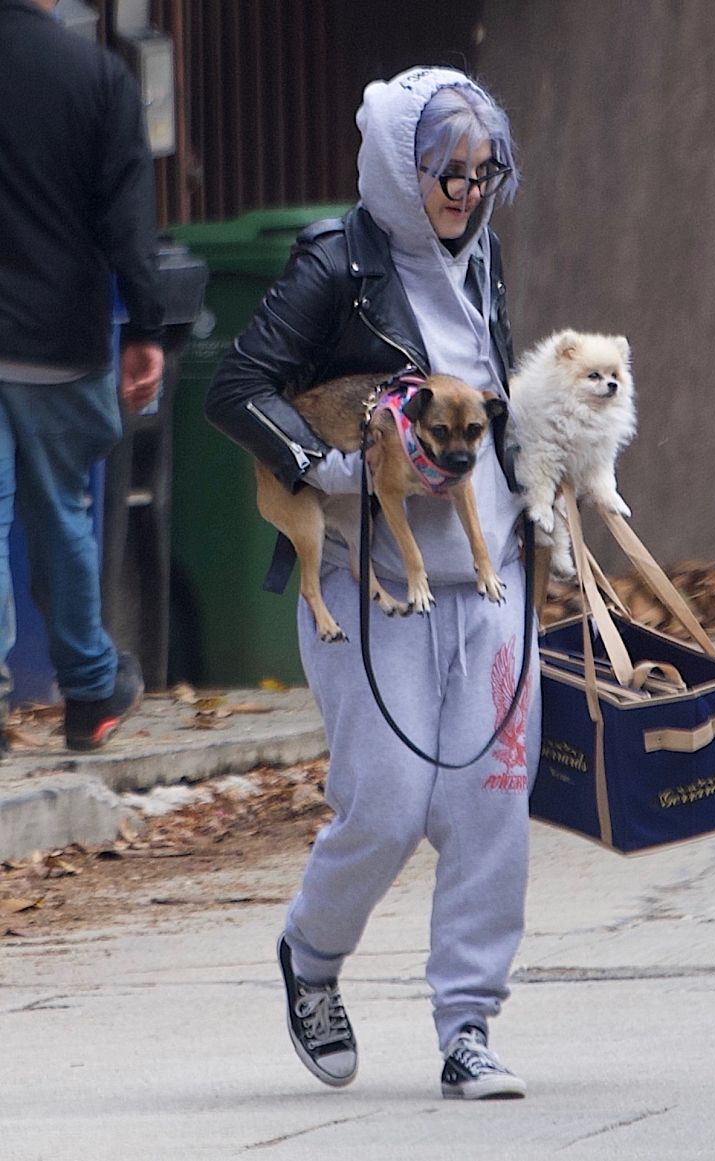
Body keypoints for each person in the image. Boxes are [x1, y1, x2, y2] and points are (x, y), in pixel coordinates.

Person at [206, 66, 540, 1100]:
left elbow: (492, 406)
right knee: (386, 807)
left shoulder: (483, 260)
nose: (466, 194)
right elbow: (237, 387)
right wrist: (325, 468)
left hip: (490, 579)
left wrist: (547, 486)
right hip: (370, 577)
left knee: (491, 802)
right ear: (402, 167)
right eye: (447, 173)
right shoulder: (337, 263)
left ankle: (468, 1026)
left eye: (483, 173)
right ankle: (311, 956)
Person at [0, 0, 165, 751]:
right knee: (63, 512)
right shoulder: (97, 77)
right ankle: (90, 690)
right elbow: (126, 217)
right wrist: (147, 328)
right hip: (58, 338)